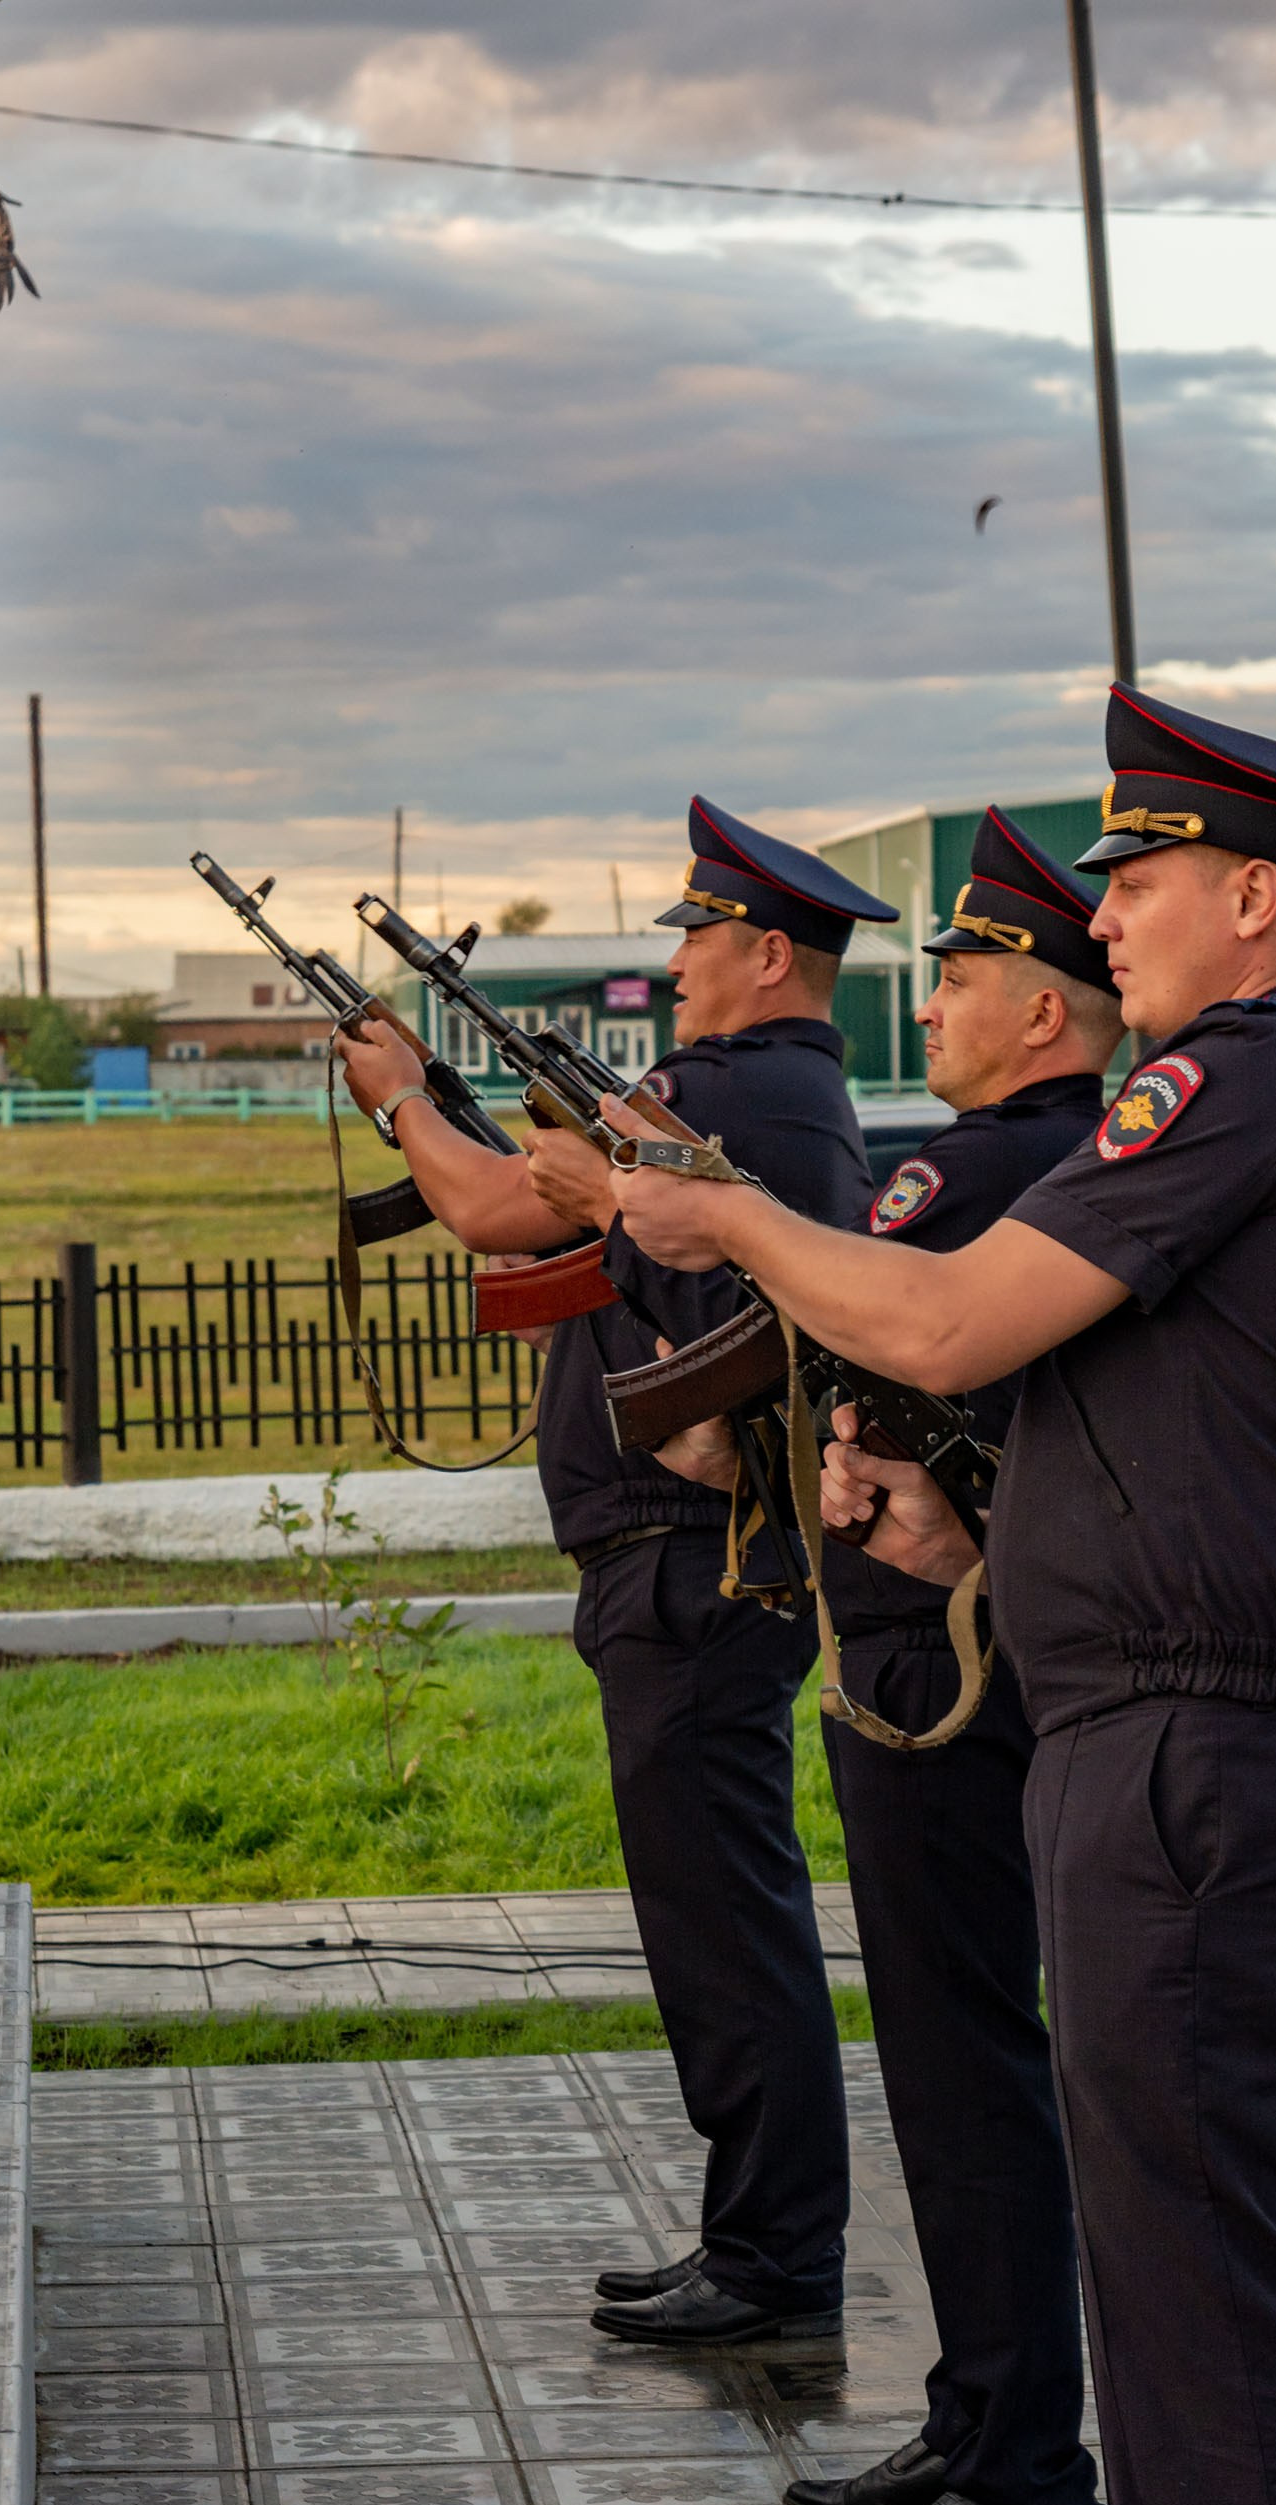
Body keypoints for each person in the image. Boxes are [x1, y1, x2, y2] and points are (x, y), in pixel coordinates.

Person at [604, 685, 1276, 2505]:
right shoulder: (1264, 1095)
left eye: (1145, 881)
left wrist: (720, 1221)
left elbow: (964, 1325)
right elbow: (1164, 1419)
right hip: (1149, 1715)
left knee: (1200, 2275)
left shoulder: (1259, 1080)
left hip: (1203, 1745)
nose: (1116, 921)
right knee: (1163, 2264)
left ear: (1248, 897)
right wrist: (982, 1553)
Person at [334, 797, 890, 2346]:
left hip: (685, 1566)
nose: (684, 968)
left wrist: (401, 1102)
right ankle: (757, 2232)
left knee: (724, 1919)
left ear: (768, 949)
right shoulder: (779, 1099)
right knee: (717, 1909)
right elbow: (569, 1235)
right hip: (687, 1564)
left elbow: (487, 1209)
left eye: (701, 938)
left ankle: (778, 2256)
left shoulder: (732, 1094)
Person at [768, 810, 1115, 2505]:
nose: (939, 996)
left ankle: (1027, 2459)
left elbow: (875, 1325)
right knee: (953, 2049)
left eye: (968, 972)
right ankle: (986, 2415)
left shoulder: (979, 1171)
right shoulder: (1035, 1155)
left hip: (942, 1661)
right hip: (942, 1633)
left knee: (965, 2054)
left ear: (1049, 1012)